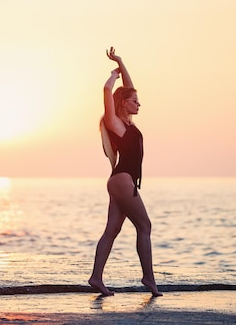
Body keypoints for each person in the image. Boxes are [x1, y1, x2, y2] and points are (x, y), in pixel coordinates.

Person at [88, 47, 162, 297]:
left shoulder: (129, 123)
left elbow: (129, 89)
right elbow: (108, 91)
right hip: (122, 181)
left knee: (112, 229)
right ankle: (149, 278)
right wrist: (112, 74)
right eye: (134, 101)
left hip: (122, 181)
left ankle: (96, 278)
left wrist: (122, 62)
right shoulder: (115, 123)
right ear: (123, 104)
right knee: (145, 225)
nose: (139, 103)